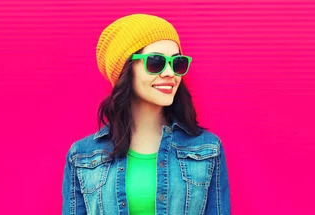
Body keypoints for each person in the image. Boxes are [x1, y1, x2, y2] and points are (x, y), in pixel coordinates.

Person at [61, 14, 231, 215]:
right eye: (156, 62)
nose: (170, 73)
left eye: (177, 63)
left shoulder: (207, 149)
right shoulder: (82, 156)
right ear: (125, 69)